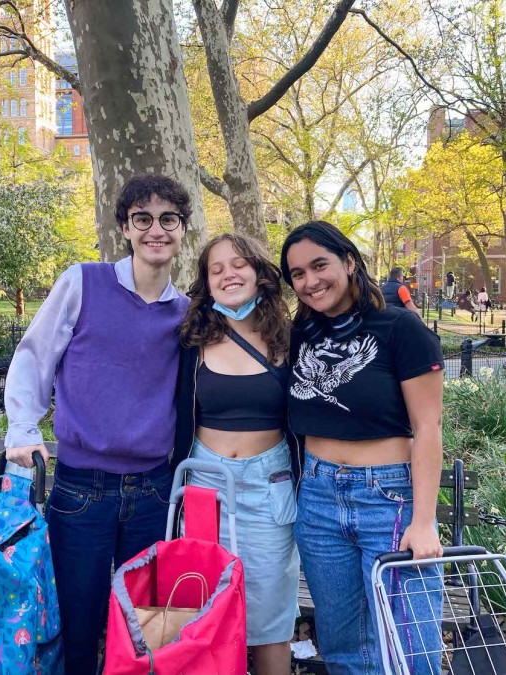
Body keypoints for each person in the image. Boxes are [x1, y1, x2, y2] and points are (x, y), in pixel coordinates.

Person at [3, 174, 192, 674]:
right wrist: (23, 428)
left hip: (154, 491)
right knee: (78, 621)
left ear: (182, 229)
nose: (157, 230)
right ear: (125, 229)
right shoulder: (84, 281)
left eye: (168, 219)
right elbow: (34, 356)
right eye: (143, 219)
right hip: (81, 488)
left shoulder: (186, 313)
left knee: (149, 626)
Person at [281, 221, 444, 674]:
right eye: (297, 274)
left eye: (320, 265)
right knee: (342, 639)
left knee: (410, 640)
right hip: (317, 501)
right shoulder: (300, 335)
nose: (310, 281)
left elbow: (428, 426)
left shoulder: (399, 328)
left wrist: (424, 521)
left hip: (388, 499)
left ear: (349, 262)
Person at [175, 233, 298, 675]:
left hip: (269, 489)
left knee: (270, 619)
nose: (229, 274)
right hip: (206, 485)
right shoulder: (191, 340)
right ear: (206, 283)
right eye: (216, 268)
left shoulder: (290, 338)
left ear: (259, 274)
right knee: (202, 611)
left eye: (239, 264)